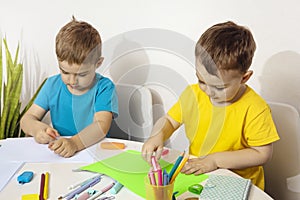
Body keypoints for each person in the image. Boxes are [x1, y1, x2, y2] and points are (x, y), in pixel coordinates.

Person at [142, 21, 280, 190]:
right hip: (198, 175)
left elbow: (262, 153)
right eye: (201, 81)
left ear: (244, 77)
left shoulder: (255, 108)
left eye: (219, 87)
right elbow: (170, 121)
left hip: (238, 184)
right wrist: (157, 135)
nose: (208, 91)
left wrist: (215, 160)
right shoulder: (193, 94)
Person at [20, 17, 118, 158]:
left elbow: (101, 126)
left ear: (98, 63)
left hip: (95, 153)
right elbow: (27, 119)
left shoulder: (104, 87)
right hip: (60, 154)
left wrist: (74, 143)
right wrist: (36, 129)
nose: (72, 80)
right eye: (65, 72)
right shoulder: (52, 85)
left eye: (82, 74)